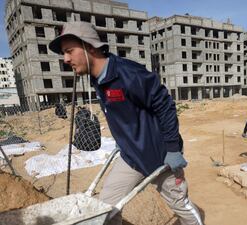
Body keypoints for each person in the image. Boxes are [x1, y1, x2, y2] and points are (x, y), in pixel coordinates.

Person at [49, 21, 202, 225]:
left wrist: (173, 148)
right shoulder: (97, 79)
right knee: (105, 210)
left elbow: (165, 105)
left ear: (90, 46)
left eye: (69, 51)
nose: (65, 59)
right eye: (63, 53)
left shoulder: (128, 74)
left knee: (180, 205)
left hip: (161, 157)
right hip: (131, 156)